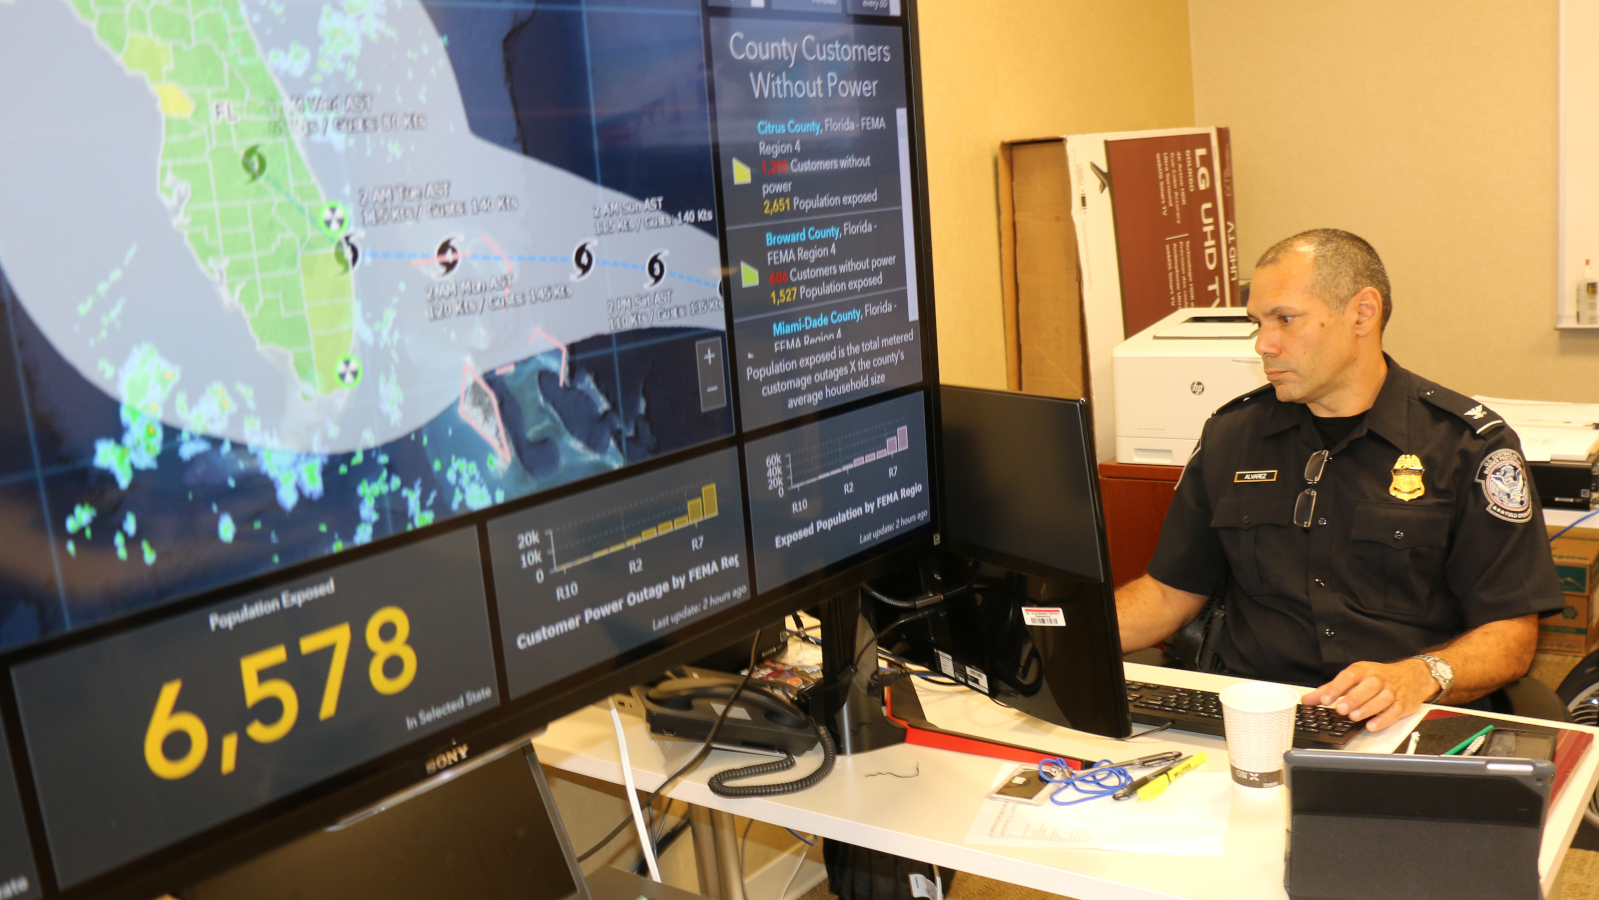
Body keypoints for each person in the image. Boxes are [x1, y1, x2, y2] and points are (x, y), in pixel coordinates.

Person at [1116, 229, 1563, 732]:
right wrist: (1056, 630)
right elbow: (1168, 594)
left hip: (1399, 720)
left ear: (1362, 314)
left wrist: (1420, 675)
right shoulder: (1233, 435)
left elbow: (1512, 633)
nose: (1264, 344)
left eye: (1285, 319)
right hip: (1252, 715)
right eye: (1257, 323)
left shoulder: (1466, 445)